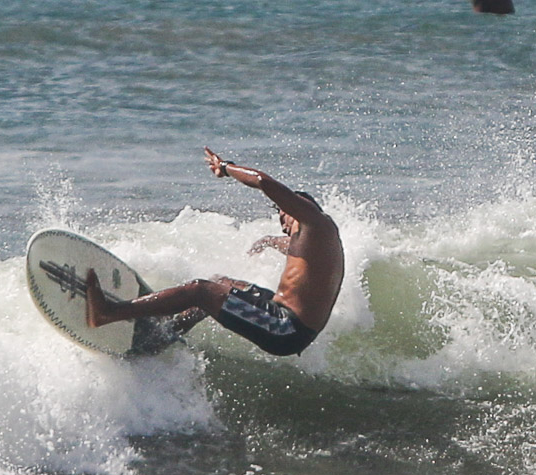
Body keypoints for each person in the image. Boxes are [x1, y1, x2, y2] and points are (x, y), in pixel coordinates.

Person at [85, 148, 344, 357]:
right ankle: (164, 335)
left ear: (299, 208)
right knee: (221, 283)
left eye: (280, 212)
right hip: (284, 320)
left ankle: (109, 313)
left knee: (201, 290)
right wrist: (266, 242)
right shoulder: (318, 239)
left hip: (285, 329)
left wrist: (225, 168)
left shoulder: (315, 222)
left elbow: (263, 181)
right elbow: (292, 249)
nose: (280, 221)